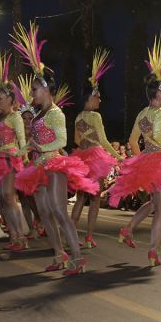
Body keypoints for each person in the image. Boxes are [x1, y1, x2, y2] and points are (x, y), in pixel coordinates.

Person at [12, 22, 97, 275]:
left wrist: (39, 145)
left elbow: (61, 141)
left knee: (59, 211)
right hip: (38, 167)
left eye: (35, 89)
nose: (32, 94)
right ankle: (59, 254)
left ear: (46, 89)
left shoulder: (56, 113)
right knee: (45, 213)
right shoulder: (38, 115)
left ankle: (78, 258)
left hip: (55, 164)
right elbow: (35, 141)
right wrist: (23, 148)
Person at [108, 34, 161, 268]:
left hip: (150, 162)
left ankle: (128, 228)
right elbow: (156, 137)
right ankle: (153, 251)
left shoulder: (141, 114)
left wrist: (140, 161)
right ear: (157, 94)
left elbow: (134, 141)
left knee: (154, 204)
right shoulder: (160, 113)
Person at [70, 48, 123, 249]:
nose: (100, 100)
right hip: (95, 159)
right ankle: (89, 237)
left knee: (80, 198)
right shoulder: (95, 117)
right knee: (94, 202)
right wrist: (119, 156)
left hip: (81, 158)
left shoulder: (78, 117)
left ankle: (71, 233)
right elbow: (104, 141)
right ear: (90, 98)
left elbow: (76, 139)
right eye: (98, 97)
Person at [0, 82, 29, 251]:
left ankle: (21, 237)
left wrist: (20, 154)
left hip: (10, 158)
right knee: (3, 199)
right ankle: (14, 236)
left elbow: (22, 139)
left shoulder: (15, 116)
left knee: (9, 196)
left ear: (10, 99)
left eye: (0, 98)